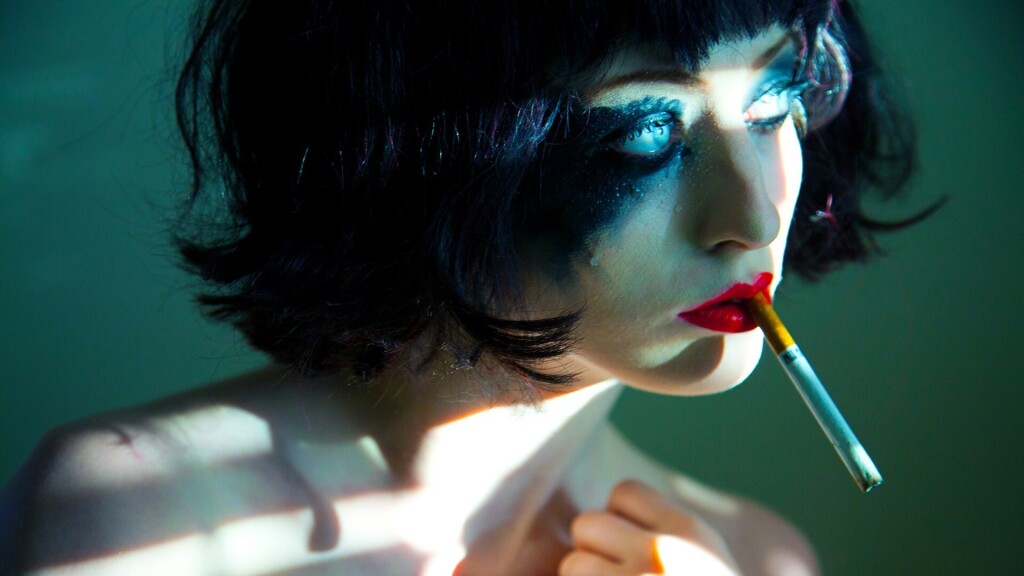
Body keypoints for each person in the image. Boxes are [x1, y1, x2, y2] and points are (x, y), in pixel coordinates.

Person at [0, 0, 915, 574]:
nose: (753, 215)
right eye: (645, 132)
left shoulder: (755, 559)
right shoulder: (132, 523)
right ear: (428, 153)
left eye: (774, 102)